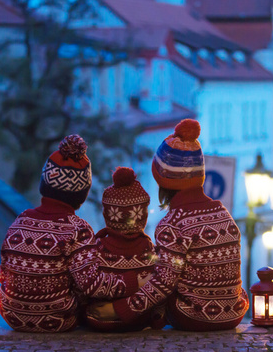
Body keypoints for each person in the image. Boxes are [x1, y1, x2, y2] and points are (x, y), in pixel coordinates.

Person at [90, 119, 249, 331]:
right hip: (233, 315)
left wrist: (119, 310)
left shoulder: (172, 225)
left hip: (193, 317)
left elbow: (163, 283)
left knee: (155, 281)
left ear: (163, 181)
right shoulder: (223, 214)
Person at [0, 134, 95, 333]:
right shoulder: (78, 229)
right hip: (59, 320)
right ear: (81, 193)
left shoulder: (20, 221)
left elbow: (3, 272)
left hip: (12, 316)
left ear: (45, 183)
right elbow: (89, 285)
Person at [70, 166, 162, 332]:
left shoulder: (95, 250)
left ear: (107, 215)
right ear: (143, 215)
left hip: (98, 322)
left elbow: (81, 291)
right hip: (140, 320)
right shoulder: (151, 251)